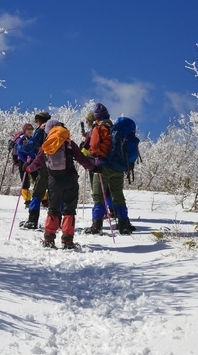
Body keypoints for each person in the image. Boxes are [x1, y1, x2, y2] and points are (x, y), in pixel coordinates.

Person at [30, 119, 97, 248]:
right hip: (70, 179)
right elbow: (81, 158)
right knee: (69, 209)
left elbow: (37, 162)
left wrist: (28, 168)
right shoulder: (69, 143)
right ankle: (67, 240)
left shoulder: (47, 144)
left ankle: (49, 239)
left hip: (54, 180)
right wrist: (94, 168)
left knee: (53, 209)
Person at [84, 103, 135, 235]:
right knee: (118, 194)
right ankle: (123, 224)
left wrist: (89, 154)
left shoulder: (98, 129)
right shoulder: (115, 129)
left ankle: (96, 225)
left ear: (97, 118)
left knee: (98, 195)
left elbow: (94, 147)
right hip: (118, 168)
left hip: (103, 167)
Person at [20, 112, 51, 230]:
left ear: (39, 120)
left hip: (46, 165)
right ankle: (58, 222)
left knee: (37, 193)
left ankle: (32, 221)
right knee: (56, 193)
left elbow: (29, 147)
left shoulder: (41, 130)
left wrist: (17, 147)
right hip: (62, 167)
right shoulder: (59, 129)